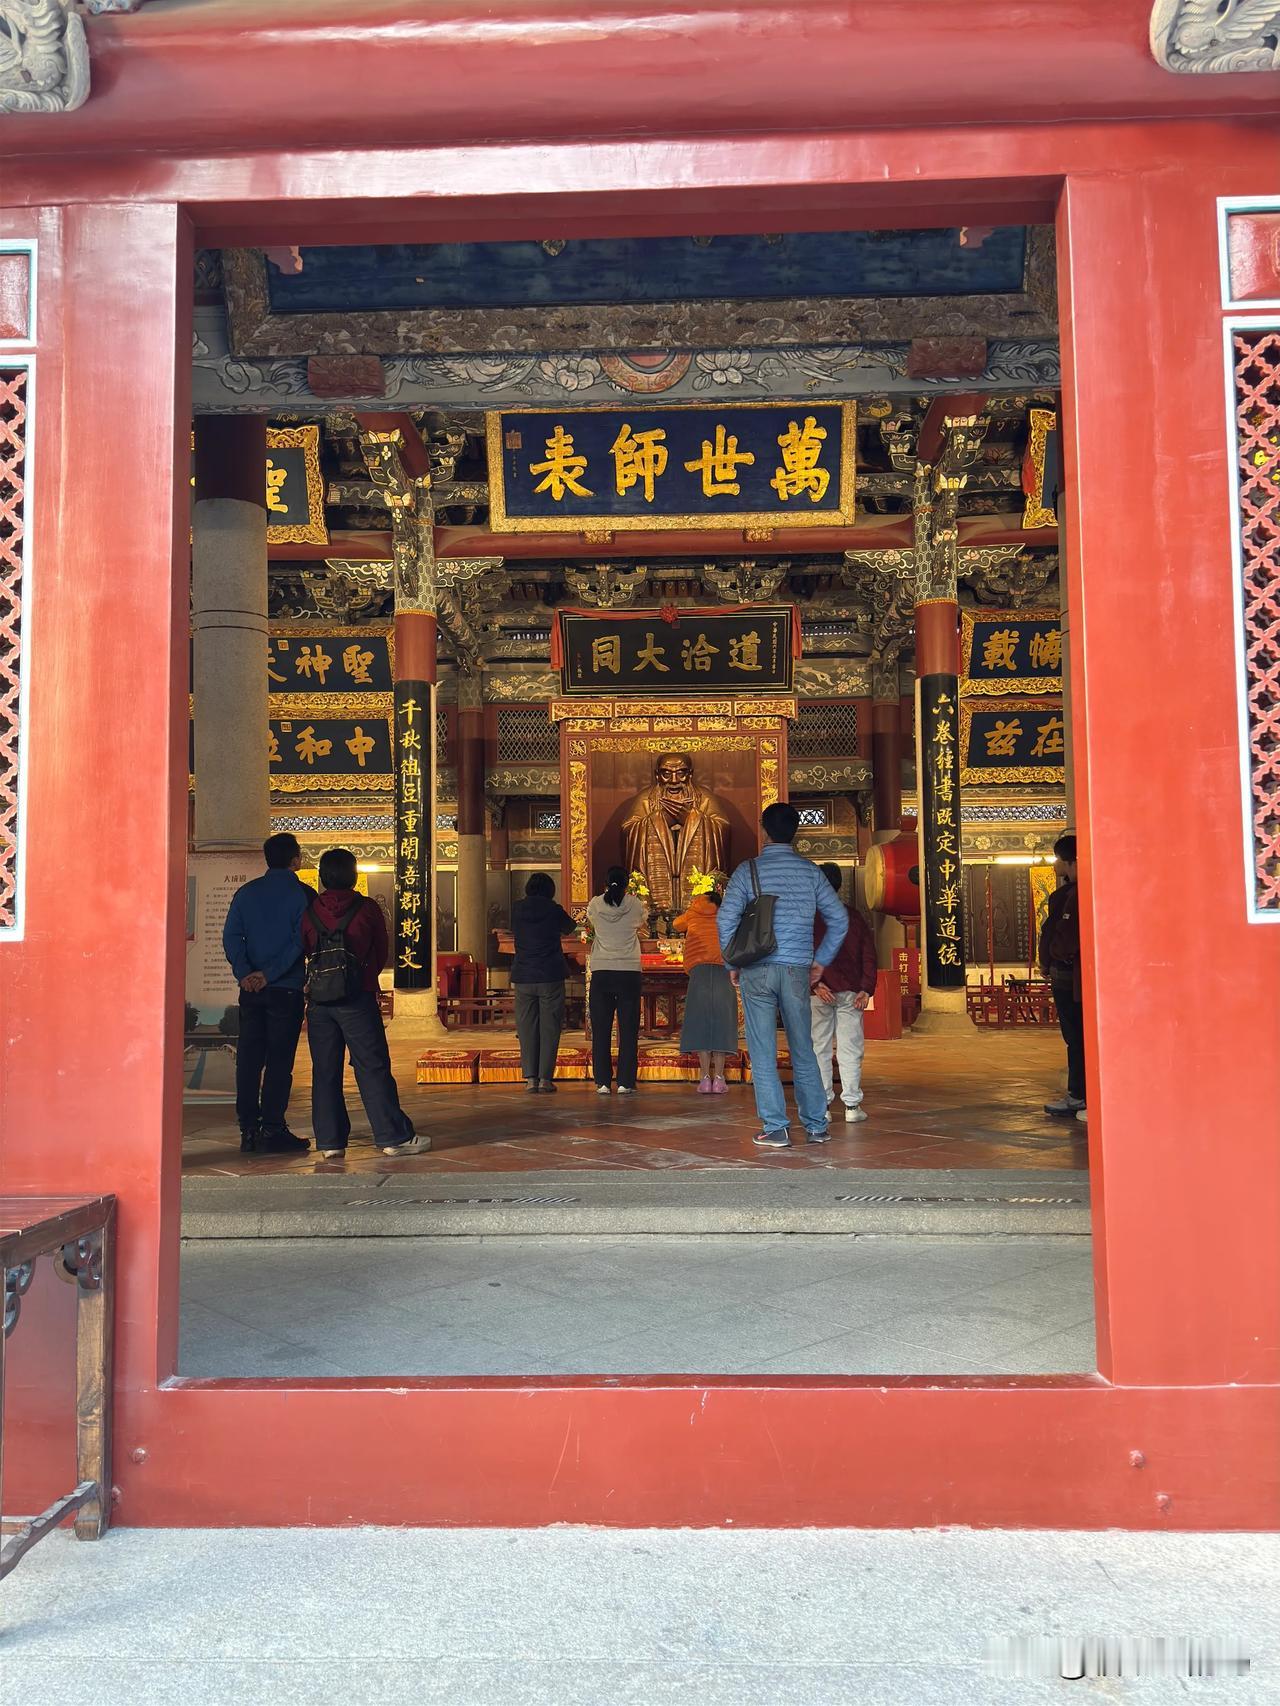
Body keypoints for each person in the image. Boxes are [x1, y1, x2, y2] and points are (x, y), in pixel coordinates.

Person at [717, 802, 849, 1149]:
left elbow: (725, 919)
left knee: (762, 1050)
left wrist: (732, 963)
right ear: (796, 832)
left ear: (764, 830)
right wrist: (821, 961)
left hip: (756, 968)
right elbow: (839, 919)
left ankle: (776, 1127)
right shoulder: (810, 873)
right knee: (803, 1047)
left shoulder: (748, 871)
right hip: (796, 970)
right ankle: (816, 1125)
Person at [301, 847, 427, 1159]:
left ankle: (330, 1142)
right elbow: (382, 951)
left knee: (324, 1071)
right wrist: (363, 978)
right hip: (357, 999)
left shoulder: (311, 910)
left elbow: (304, 948)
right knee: (372, 1066)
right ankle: (392, 1136)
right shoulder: (366, 908)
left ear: (322, 877)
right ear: (353, 875)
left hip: (319, 1003)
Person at [221, 831, 313, 1155]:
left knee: (248, 1060)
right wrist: (271, 974)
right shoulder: (304, 895)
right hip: (286, 990)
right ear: (295, 860)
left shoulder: (246, 893)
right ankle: (273, 1128)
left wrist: (246, 973)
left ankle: (248, 1129)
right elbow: (301, 941)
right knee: (279, 1062)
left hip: (251, 991)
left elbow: (231, 937)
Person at [619, 751, 732, 915]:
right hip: (658, 882)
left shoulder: (704, 799)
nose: (674, 780)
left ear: (690, 774)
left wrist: (692, 818)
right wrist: (659, 819)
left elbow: (722, 827)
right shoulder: (646, 799)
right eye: (666, 774)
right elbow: (629, 829)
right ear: (657, 775)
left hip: (694, 882)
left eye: (681, 773)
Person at [810, 863, 878, 1123]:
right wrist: (866, 988)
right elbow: (868, 955)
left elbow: (801, 953)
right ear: (840, 885)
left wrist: (814, 985)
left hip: (819, 993)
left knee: (819, 1048)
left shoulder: (810, 918)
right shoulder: (853, 916)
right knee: (850, 1049)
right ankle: (851, 1106)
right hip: (851, 993)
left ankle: (823, 1107)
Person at [510, 871, 578, 1093]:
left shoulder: (517, 909)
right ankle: (545, 1079)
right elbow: (570, 927)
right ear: (550, 890)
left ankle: (530, 1079)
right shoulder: (553, 909)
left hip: (524, 975)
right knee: (550, 1028)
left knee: (526, 1028)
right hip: (550, 974)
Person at [673, 873, 736, 1094]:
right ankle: (719, 1078)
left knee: (701, 1022)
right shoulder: (726, 914)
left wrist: (691, 911)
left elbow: (676, 924)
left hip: (699, 971)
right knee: (721, 1023)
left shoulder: (693, 912)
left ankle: (704, 1078)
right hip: (722, 968)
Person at [586, 865, 646, 1095]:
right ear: (627, 884)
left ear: (605, 882)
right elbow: (642, 922)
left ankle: (602, 1082)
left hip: (602, 970)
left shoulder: (595, 904)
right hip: (629, 971)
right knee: (629, 1030)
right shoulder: (635, 904)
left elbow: (591, 921)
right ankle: (625, 1082)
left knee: (601, 1030)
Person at [1040, 833, 1086, 1120]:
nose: (1055, 865)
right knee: (1077, 1037)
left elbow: (1064, 936)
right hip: (1070, 974)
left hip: (1070, 976)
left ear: (1071, 862)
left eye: (1058, 859)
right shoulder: (1070, 893)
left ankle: (1079, 1095)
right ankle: (1080, 1093)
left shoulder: (1073, 896)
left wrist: (1054, 956)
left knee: (1076, 1037)